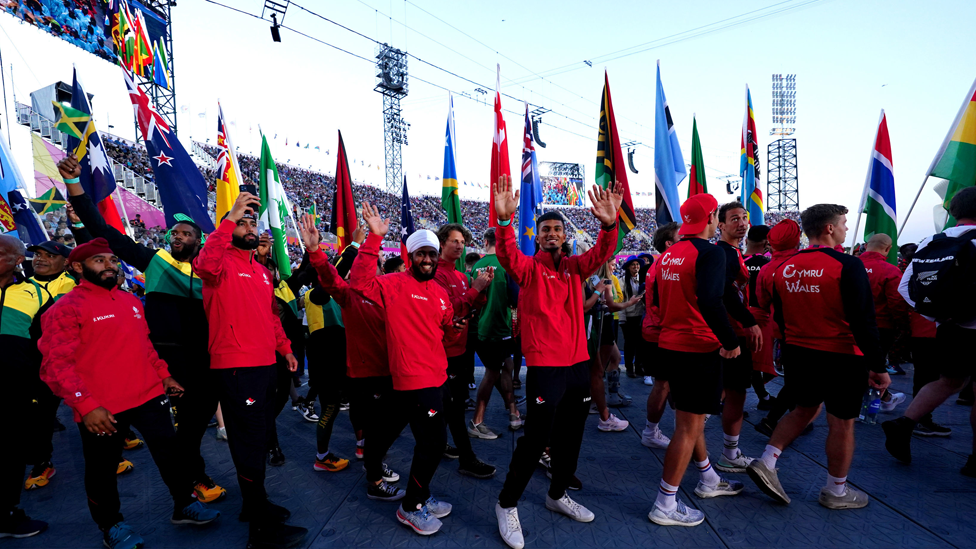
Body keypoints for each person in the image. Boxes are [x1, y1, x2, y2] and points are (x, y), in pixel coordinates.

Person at [58, 154, 227, 504]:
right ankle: (193, 477)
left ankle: (190, 478)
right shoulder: (154, 261)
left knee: (196, 425)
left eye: (185, 233)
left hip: (207, 360)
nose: (176, 236)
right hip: (170, 363)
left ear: (198, 242)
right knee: (178, 431)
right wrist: (75, 187)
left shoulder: (212, 273)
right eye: (174, 232)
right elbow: (103, 231)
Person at [38, 238, 220, 548]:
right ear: (79, 267)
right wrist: (86, 405)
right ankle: (111, 525)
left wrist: (164, 376)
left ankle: (184, 505)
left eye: (112, 260)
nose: (109, 265)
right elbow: (56, 366)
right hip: (101, 408)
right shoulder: (66, 309)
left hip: (149, 397)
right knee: (102, 471)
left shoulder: (130, 301)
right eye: (99, 261)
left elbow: (145, 347)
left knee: (171, 456)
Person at [492, 175, 621, 549]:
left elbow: (601, 253)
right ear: (537, 236)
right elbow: (506, 255)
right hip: (547, 366)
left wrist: (609, 224)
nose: (551, 233)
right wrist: (503, 223)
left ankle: (557, 492)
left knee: (571, 437)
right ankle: (506, 504)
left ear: (565, 235)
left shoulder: (574, 268)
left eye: (557, 229)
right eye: (545, 229)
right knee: (535, 440)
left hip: (578, 364)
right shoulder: (528, 269)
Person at [748, 204, 887, 510]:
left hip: (799, 351)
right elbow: (864, 321)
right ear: (829, 228)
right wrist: (878, 366)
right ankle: (836, 491)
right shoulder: (847, 265)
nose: (846, 229)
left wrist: (787, 349)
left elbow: (779, 316)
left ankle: (767, 460)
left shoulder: (783, 267)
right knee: (842, 423)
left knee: (802, 410)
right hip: (841, 354)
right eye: (844, 224)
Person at [192, 192, 307, 548]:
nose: (248, 226)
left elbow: (271, 317)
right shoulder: (219, 262)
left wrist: (285, 349)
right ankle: (260, 530)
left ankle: (255, 505)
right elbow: (204, 264)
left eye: (252, 221)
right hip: (236, 367)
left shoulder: (260, 271)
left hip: (264, 365)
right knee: (249, 444)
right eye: (242, 221)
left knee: (256, 442)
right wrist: (228, 218)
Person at [349, 202, 464, 536]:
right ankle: (411, 507)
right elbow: (359, 282)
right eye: (420, 254)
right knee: (432, 444)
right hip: (415, 380)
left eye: (431, 254)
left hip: (436, 376)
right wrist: (373, 238)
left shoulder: (440, 292)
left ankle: (421, 494)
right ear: (410, 256)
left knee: (403, 435)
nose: (426, 260)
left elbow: (445, 327)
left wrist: (455, 325)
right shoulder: (393, 284)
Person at [648, 193, 744, 528]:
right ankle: (665, 503)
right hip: (697, 346)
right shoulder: (711, 252)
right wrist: (730, 340)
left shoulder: (669, 253)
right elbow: (711, 299)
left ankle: (707, 477)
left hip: (671, 343)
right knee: (688, 427)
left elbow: (658, 298)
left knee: (692, 421)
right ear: (712, 216)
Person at [296, 214, 404, 501]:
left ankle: (369, 454)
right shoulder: (341, 294)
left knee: (384, 422)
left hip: (384, 370)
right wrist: (318, 252)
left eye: (379, 264)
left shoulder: (390, 290)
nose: (375, 268)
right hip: (350, 370)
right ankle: (369, 473)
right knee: (351, 416)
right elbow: (329, 281)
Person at [883, 186, 976, 476]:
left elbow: (904, 287)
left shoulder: (932, 241)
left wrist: (938, 316)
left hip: (948, 328)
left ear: (952, 212)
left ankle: (903, 424)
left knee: (948, 381)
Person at [432, 223, 497, 478]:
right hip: (442, 353)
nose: (460, 245)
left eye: (462, 242)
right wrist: (476, 289)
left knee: (452, 407)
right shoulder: (437, 275)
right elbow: (448, 309)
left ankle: (444, 447)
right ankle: (465, 457)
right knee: (450, 408)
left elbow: (473, 305)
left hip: (459, 351)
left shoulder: (460, 276)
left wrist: (484, 288)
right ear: (442, 243)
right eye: (454, 241)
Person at [0, 235, 48, 539]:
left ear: (17, 260)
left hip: (14, 392)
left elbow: (49, 344)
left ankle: (7, 514)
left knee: (10, 453)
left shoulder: (37, 294)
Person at [22, 240, 75, 491]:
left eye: (48, 255)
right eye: (37, 255)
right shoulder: (19, 286)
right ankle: (42, 462)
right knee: (40, 415)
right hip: (37, 364)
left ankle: (115, 452)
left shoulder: (73, 283)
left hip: (74, 361)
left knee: (93, 409)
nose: (40, 259)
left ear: (64, 261)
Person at [714, 202, 762, 475]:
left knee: (726, 393)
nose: (742, 223)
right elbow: (725, 293)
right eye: (734, 219)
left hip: (727, 332)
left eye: (744, 218)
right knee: (734, 394)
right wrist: (749, 322)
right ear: (720, 225)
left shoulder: (730, 252)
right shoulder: (726, 254)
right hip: (731, 335)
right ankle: (729, 454)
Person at [470, 228, 523, 436]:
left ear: (485, 242)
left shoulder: (477, 265)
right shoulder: (506, 265)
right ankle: (476, 421)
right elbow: (516, 299)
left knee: (506, 366)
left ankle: (513, 411)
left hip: (481, 327)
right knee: (493, 373)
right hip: (501, 327)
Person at [753, 220, 802, 437]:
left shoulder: (767, 268)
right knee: (798, 381)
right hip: (811, 333)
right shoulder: (807, 263)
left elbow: (761, 302)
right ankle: (777, 420)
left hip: (780, 330)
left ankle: (784, 416)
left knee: (795, 377)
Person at [859, 233, 909, 411]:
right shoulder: (889, 270)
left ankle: (882, 400)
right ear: (888, 249)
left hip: (849, 326)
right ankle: (872, 407)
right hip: (881, 327)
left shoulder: (848, 266)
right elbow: (896, 302)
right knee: (875, 367)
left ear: (866, 245)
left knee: (861, 366)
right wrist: (903, 326)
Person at [639, 223, 677, 450]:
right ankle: (650, 431)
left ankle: (683, 430)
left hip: (659, 331)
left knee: (671, 384)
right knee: (663, 385)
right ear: (669, 244)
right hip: (661, 333)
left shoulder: (661, 265)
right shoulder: (666, 266)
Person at [743, 226, 777, 409]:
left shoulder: (736, 261)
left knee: (739, 359)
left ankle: (762, 397)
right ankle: (762, 397)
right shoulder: (769, 265)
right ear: (766, 242)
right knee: (755, 362)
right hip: (762, 319)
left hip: (736, 318)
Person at [619, 255, 645, 379]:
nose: (636, 267)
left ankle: (639, 367)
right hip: (629, 316)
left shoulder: (643, 280)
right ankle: (629, 368)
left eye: (637, 264)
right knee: (630, 344)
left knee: (640, 343)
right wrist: (622, 318)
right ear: (628, 267)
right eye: (633, 265)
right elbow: (621, 300)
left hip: (641, 315)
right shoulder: (622, 281)